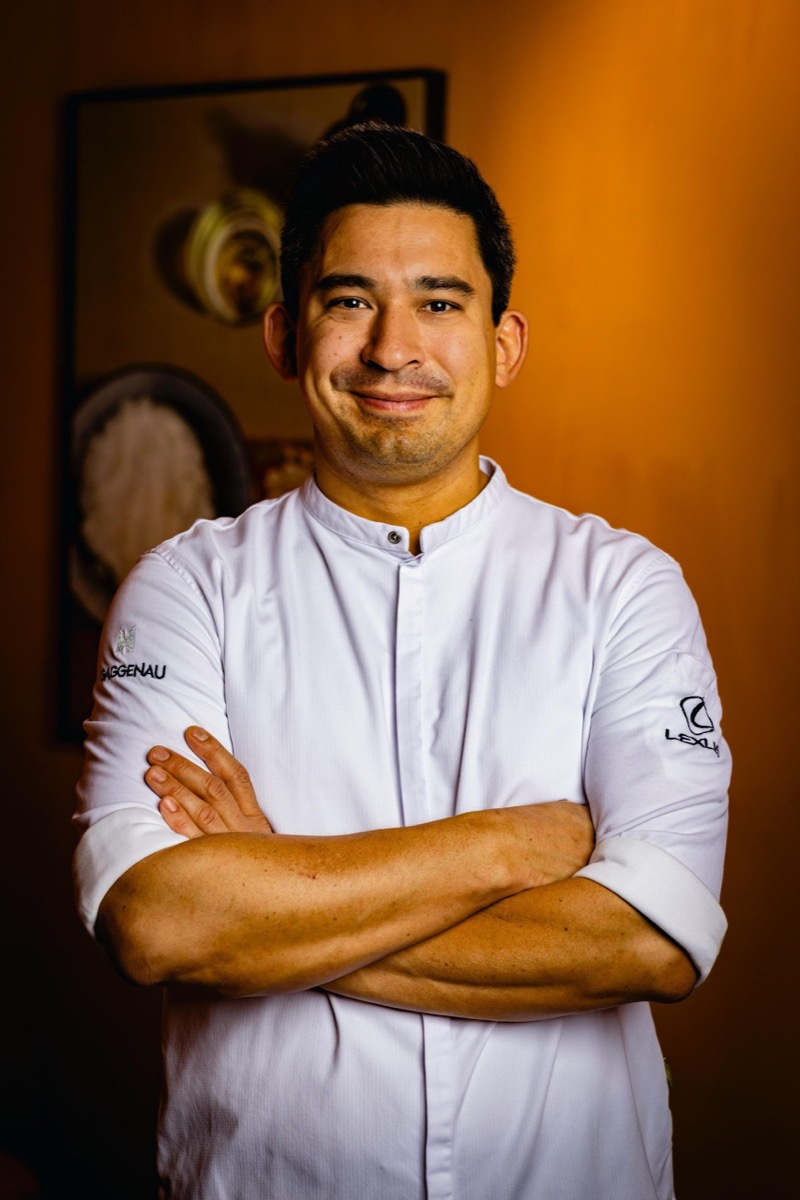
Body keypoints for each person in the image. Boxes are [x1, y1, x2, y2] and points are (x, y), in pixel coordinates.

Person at [74, 123, 730, 1200]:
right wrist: (512, 845)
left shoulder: (623, 587)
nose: (391, 349)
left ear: (503, 342)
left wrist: (275, 897)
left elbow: (648, 943)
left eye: (437, 301)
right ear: (284, 334)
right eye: (346, 302)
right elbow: (157, 923)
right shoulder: (186, 589)